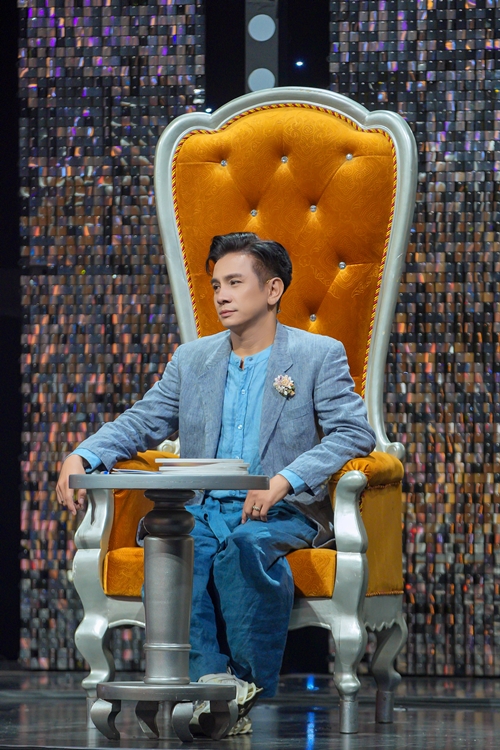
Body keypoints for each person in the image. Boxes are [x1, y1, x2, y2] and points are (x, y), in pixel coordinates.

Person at [57, 232, 376, 735]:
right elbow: (143, 421)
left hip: (280, 510)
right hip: (201, 507)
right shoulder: (193, 359)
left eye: (234, 283)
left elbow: (354, 432)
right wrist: (83, 453)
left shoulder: (318, 354)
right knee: (176, 552)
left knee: (245, 549)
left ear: (272, 290)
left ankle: (242, 689)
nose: (222, 296)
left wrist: (285, 479)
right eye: (216, 286)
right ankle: (211, 684)